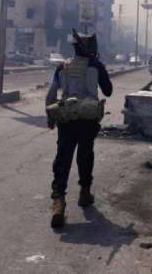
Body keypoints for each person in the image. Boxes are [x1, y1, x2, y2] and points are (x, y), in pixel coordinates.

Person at [45, 29, 112, 229]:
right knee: (85, 155)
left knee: (63, 157)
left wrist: (50, 117)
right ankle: (84, 193)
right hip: (87, 120)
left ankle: (58, 202)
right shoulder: (96, 66)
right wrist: (99, 71)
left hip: (66, 119)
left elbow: (51, 95)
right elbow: (108, 91)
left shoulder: (62, 67)